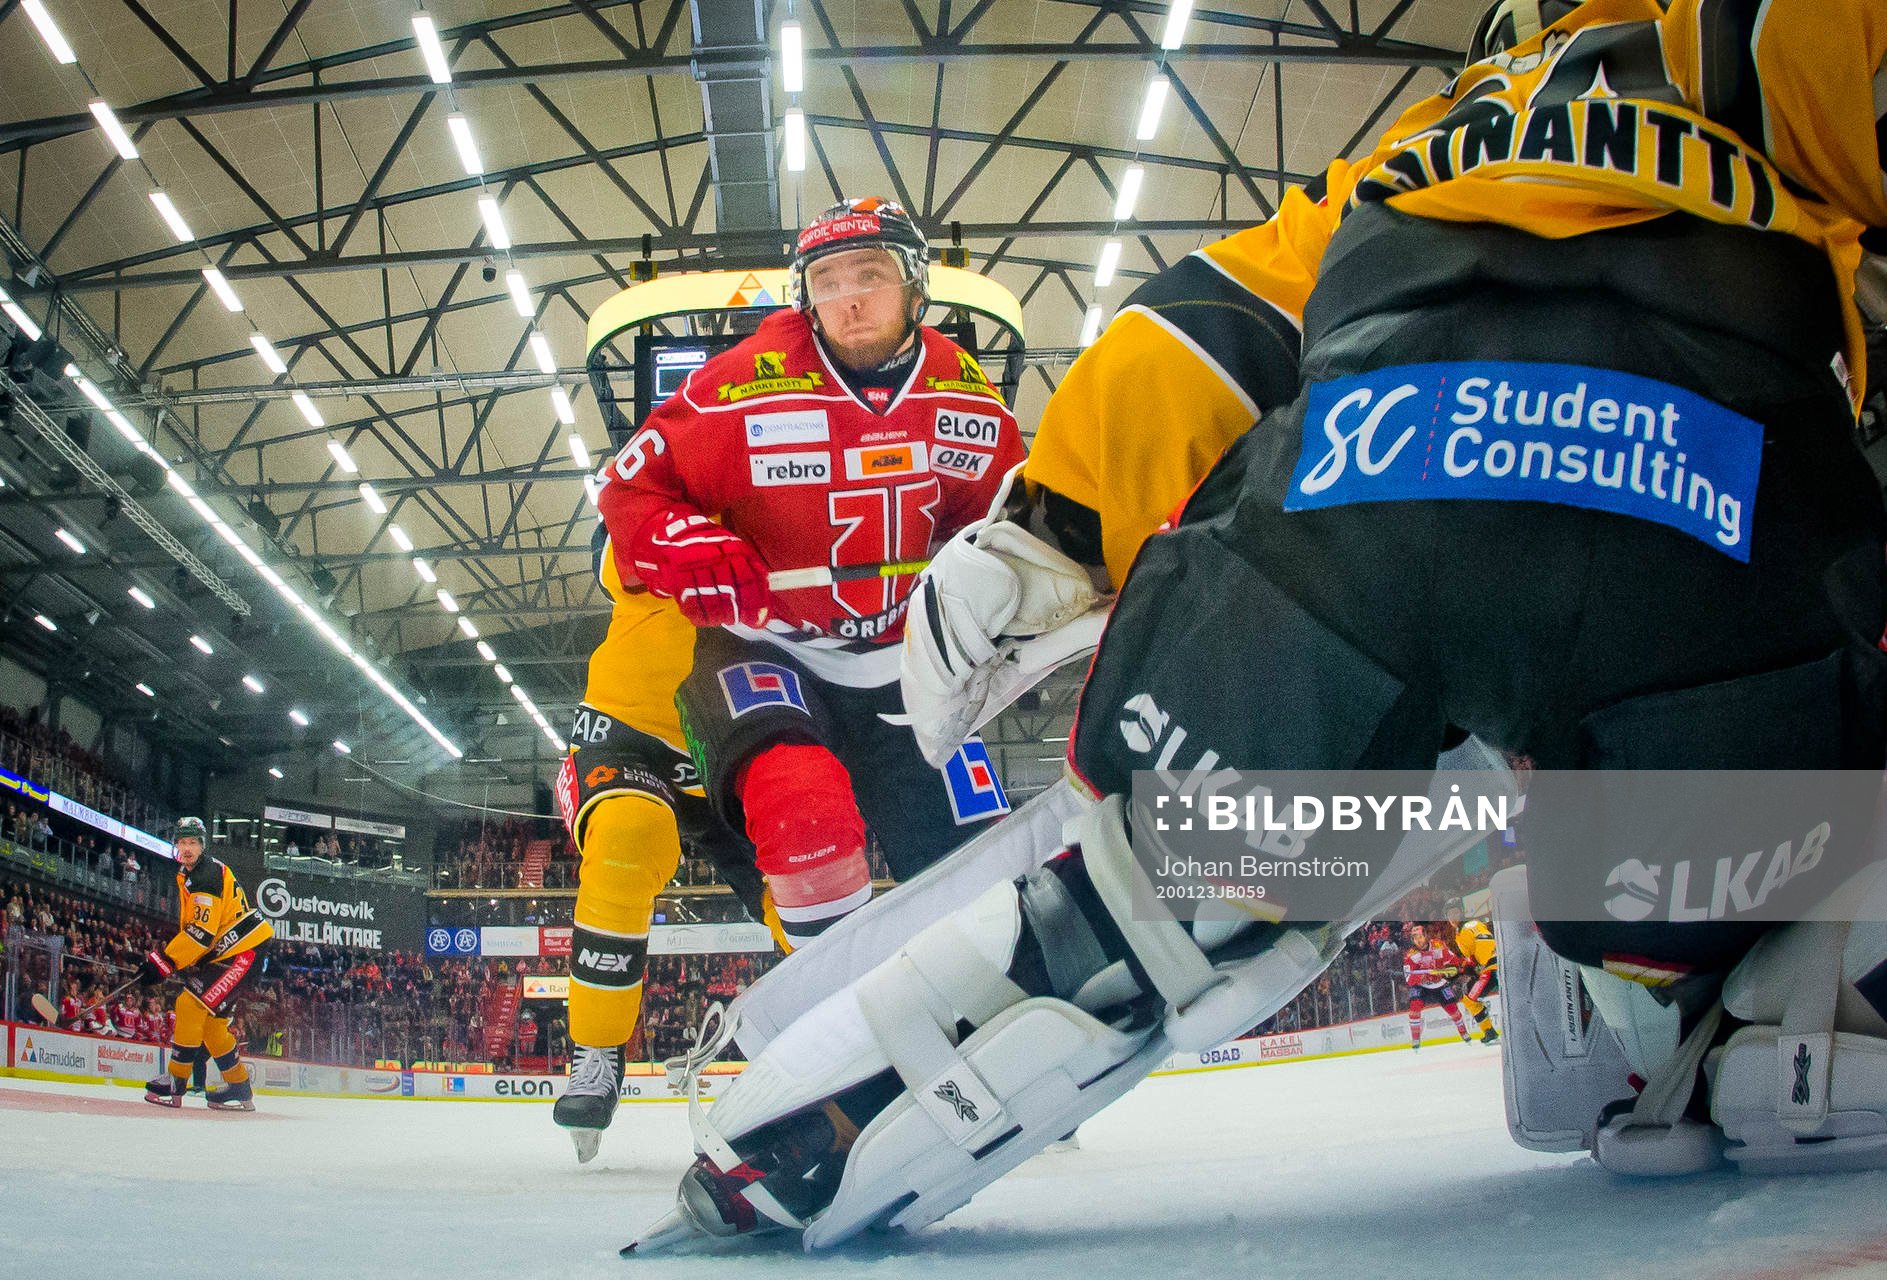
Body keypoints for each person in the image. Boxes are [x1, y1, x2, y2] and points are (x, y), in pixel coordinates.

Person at [633, 0, 1887, 1251]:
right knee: (1702, 884)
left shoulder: (1432, 138)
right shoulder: (1772, 31)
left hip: (1356, 498)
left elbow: (1199, 323)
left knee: (1176, 884)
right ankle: (1770, 1009)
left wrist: (1053, 523)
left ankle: (794, 1138)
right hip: (1705, 506)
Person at [597, 196, 1025, 950]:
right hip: (768, 649)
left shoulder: (963, 393)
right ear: (806, 297)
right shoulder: (737, 384)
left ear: (915, 285)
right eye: (826, 281)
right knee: (805, 818)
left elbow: (994, 515)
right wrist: (682, 538)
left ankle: (991, 1013)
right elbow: (629, 491)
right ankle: (836, 1028)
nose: (849, 298)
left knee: (977, 868)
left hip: (909, 659)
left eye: (870, 273)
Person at [549, 517, 770, 1162]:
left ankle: (872, 1046)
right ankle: (596, 1049)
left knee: (802, 873)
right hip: (628, 734)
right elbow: (611, 552)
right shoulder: (659, 484)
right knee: (627, 835)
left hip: (734, 727)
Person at [139, 816, 274, 1110]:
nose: (187, 848)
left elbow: (201, 933)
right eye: (182, 842)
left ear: (202, 846)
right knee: (212, 1025)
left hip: (242, 953)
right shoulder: (192, 874)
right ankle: (239, 1087)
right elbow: (200, 931)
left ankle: (176, 1081)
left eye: (193, 843)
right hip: (232, 953)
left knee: (189, 1005)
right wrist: (176, 961)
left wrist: (165, 961)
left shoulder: (205, 876)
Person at [1403, 923, 1477, 1051]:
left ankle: (1464, 1033)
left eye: (1420, 936)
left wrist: (1446, 970)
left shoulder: (1438, 945)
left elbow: (1453, 961)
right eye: (1415, 938)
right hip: (1422, 986)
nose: (1418, 940)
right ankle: (1415, 1039)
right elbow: (1409, 978)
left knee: (1453, 1010)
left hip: (1440, 983)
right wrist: (1422, 977)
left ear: (1426, 936)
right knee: (1414, 1009)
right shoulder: (1411, 955)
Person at [1445, 896, 1500, 1044]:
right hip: (1489, 969)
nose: (1453, 917)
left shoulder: (1470, 926)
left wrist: (1471, 964)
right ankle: (1489, 1032)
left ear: (1462, 912)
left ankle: (1489, 1031)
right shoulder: (1460, 932)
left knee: (1469, 1000)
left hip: (1492, 969)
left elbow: (1486, 945)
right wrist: (1464, 968)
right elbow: (1471, 957)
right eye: (1449, 914)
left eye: (1455, 912)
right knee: (1468, 998)